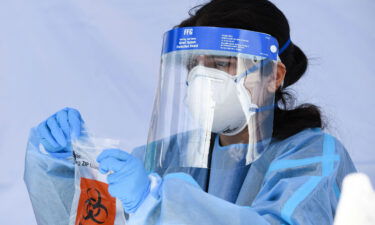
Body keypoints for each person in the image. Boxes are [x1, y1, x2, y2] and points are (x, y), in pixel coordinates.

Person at [24, 0, 357, 224]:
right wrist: (59, 168)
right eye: (193, 67)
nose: (202, 79)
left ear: (274, 76)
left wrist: (155, 205)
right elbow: (88, 219)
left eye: (221, 64)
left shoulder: (313, 156)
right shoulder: (171, 155)